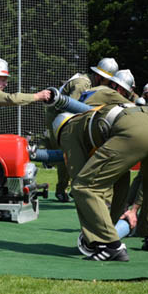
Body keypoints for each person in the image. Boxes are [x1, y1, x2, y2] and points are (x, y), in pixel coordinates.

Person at [57, 69, 148, 261]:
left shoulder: (74, 122)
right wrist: (132, 209)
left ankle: (111, 245)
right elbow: (123, 178)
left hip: (133, 129)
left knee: (83, 186)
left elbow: (82, 179)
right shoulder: (128, 102)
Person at [44, 57, 119, 201]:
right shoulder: (82, 84)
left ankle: (76, 186)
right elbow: (72, 109)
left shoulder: (91, 84)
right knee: (67, 153)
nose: (109, 85)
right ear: (99, 77)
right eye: (107, 81)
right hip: (59, 118)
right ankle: (62, 189)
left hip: (69, 117)